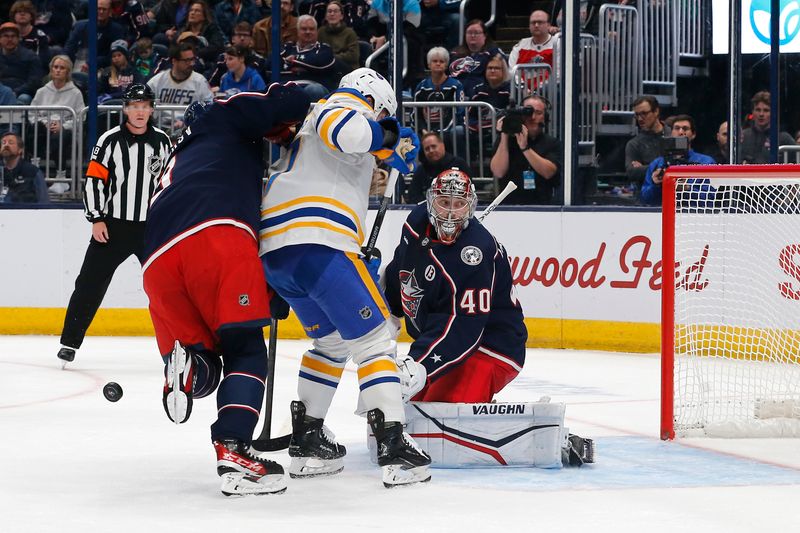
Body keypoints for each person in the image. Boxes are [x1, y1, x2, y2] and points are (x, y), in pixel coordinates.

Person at [259, 67, 432, 487]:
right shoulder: (339, 105)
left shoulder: (309, 127)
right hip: (319, 241)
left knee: (332, 341)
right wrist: (387, 138)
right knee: (375, 339)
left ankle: (308, 438)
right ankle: (393, 442)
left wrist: (384, 153)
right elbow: (350, 132)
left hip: (281, 253)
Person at [141, 83, 310, 496]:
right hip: (215, 238)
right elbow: (292, 98)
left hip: (156, 262)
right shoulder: (223, 114)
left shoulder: (179, 156)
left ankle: (189, 368)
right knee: (246, 350)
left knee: (208, 366)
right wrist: (305, 112)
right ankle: (234, 449)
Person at [383, 168, 527, 403]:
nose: (450, 213)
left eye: (459, 203)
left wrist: (420, 365)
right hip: (445, 342)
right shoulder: (416, 222)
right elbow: (403, 264)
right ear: (430, 201)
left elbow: (463, 326)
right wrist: (386, 309)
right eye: (444, 202)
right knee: (409, 406)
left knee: (439, 413)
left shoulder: (475, 255)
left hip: (490, 348)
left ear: (469, 206)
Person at [56, 85, 171, 366]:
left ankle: (180, 343)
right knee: (89, 284)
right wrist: (96, 217)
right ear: (125, 109)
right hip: (113, 227)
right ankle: (69, 342)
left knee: (169, 288)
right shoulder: (108, 141)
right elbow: (94, 181)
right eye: (134, 105)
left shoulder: (164, 142)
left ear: (152, 109)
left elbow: (170, 184)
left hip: (152, 229)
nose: (140, 111)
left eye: (145, 105)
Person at [489, 94, 562, 205]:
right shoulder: (506, 141)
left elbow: (548, 172)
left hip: (544, 206)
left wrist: (525, 148)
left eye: (538, 113)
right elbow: (498, 172)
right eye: (528, 111)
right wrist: (504, 134)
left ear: (545, 117)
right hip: (509, 206)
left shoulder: (552, 143)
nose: (532, 117)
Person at [640, 114, 715, 207]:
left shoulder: (705, 162)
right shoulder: (658, 163)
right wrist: (657, 186)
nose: (681, 132)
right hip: (661, 216)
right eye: (676, 128)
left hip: (695, 217)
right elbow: (644, 200)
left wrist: (687, 189)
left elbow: (712, 199)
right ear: (671, 132)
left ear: (693, 134)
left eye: (685, 128)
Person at [28, 55, 85, 173]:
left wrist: (62, 126)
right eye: (56, 67)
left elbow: (81, 117)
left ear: (68, 71)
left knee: (60, 136)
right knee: (35, 128)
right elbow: (32, 114)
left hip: (65, 132)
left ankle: (61, 176)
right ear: (51, 69)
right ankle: (34, 168)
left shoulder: (76, 93)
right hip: (44, 129)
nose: (58, 70)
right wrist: (45, 123)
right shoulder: (41, 92)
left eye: (62, 68)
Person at [278, 15, 338, 99]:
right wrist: (307, 65)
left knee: (314, 90)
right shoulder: (287, 47)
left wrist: (292, 60)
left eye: (311, 29)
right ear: (297, 31)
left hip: (312, 87)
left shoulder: (324, 49)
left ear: (317, 31)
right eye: (304, 29)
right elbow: (270, 64)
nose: (308, 32)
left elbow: (319, 63)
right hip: (287, 88)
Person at [412, 46, 465, 139]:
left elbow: (458, 113)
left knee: (458, 131)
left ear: (446, 64)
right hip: (425, 132)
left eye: (441, 61)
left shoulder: (456, 86)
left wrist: (440, 132)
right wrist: (424, 131)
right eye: (435, 61)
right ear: (429, 64)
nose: (438, 64)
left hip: (448, 132)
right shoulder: (422, 87)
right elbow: (416, 114)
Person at [406, 131, 469, 204]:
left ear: (442, 145)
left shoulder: (459, 164)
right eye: (427, 149)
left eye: (433, 146)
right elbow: (413, 196)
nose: (431, 151)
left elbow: (469, 193)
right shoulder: (422, 169)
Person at [64, 0, 126, 70]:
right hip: (77, 62)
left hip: (102, 68)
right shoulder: (80, 26)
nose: (101, 12)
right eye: (99, 9)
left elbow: (113, 55)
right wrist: (65, 61)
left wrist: (91, 62)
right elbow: (69, 48)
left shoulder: (117, 30)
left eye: (104, 9)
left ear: (110, 11)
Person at [448, 19, 504, 96]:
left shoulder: (493, 52)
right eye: (469, 33)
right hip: (455, 94)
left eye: (476, 33)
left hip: (482, 94)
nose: (473, 35)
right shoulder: (455, 53)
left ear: (485, 36)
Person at [147, 42, 213, 105]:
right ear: (174, 61)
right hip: (163, 117)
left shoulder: (200, 81)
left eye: (192, 59)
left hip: (190, 116)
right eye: (186, 60)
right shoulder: (158, 81)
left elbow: (209, 108)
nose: (191, 63)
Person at [740, 91, 796, 164]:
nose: (761, 114)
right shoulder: (743, 137)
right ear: (752, 112)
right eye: (758, 110)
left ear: (773, 113)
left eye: (766, 110)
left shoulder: (784, 139)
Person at [625, 95, 670, 183]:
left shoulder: (673, 134)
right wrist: (665, 168)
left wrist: (645, 167)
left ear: (656, 111)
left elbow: (683, 165)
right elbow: (632, 173)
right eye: (637, 115)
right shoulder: (634, 144)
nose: (640, 119)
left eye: (644, 113)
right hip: (647, 193)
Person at [0, 21, 42, 103]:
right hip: (1, 92)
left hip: (22, 93)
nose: (10, 39)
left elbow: (35, 81)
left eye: (13, 36)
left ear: (19, 38)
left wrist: (16, 92)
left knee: (24, 99)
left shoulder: (30, 56)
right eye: (6, 36)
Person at [0, 131, 48, 203]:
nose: (6, 145)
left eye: (11, 143)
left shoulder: (32, 172)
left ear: (20, 150)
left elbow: (44, 201)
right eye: (3, 143)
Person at [317, 0, 359, 71]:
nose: (332, 14)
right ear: (326, 16)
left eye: (335, 11)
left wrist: (332, 57)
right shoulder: (320, 32)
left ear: (341, 16)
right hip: (326, 67)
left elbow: (354, 56)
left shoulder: (350, 33)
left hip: (347, 69)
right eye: (329, 11)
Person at [10, 0, 50, 67]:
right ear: (14, 16)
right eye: (19, 11)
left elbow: (42, 62)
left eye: (26, 11)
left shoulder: (40, 36)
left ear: (31, 16)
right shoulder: (6, 34)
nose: (22, 14)